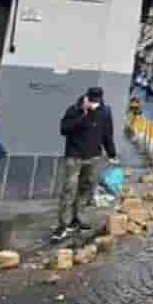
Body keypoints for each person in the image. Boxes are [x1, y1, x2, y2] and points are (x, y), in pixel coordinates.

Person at [53, 87, 117, 242]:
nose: (95, 104)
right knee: (70, 189)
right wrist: (83, 114)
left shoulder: (105, 111)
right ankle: (63, 225)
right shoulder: (74, 110)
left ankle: (77, 219)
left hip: (93, 157)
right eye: (92, 100)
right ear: (86, 98)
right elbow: (64, 129)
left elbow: (107, 134)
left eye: (97, 101)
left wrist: (112, 153)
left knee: (86, 189)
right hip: (74, 157)